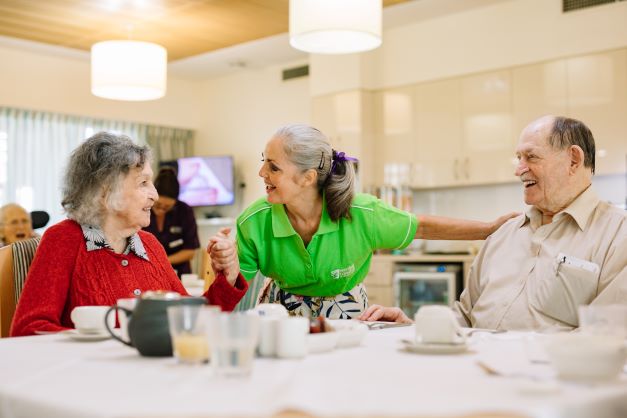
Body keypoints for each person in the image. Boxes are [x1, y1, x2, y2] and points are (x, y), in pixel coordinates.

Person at [208, 124, 516, 319]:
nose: (261, 173)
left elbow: (420, 225)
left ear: (308, 178)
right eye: (264, 161)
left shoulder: (361, 213)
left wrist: (488, 229)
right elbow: (237, 289)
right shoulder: (254, 220)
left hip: (349, 312)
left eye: (273, 167)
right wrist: (227, 262)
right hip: (283, 316)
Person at [359, 116, 627, 330]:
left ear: (573, 160)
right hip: (476, 374)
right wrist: (412, 327)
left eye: (531, 157)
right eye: (518, 158)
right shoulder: (504, 234)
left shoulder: (617, 235)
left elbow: (604, 336)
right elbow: (464, 317)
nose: (518, 169)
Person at [11, 132, 246, 337]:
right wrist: (108, 343)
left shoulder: (150, 244)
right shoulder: (63, 240)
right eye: (143, 183)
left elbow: (190, 320)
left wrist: (228, 277)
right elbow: (30, 328)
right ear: (105, 191)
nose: (154, 195)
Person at [143, 167, 200, 277]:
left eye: (167, 207)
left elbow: (190, 251)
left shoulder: (185, 211)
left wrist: (162, 263)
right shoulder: (142, 208)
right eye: (158, 205)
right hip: (147, 272)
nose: (161, 209)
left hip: (179, 275)